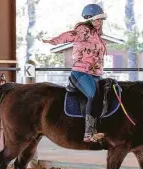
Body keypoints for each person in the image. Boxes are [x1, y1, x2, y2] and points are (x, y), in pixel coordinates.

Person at [42, 4, 107, 143]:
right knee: (93, 95)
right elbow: (69, 35)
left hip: (96, 73)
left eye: (101, 20)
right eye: (97, 19)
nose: (99, 22)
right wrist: (53, 41)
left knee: (104, 96)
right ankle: (88, 133)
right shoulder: (83, 30)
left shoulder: (97, 34)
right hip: (81, 72)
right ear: (89, 19)